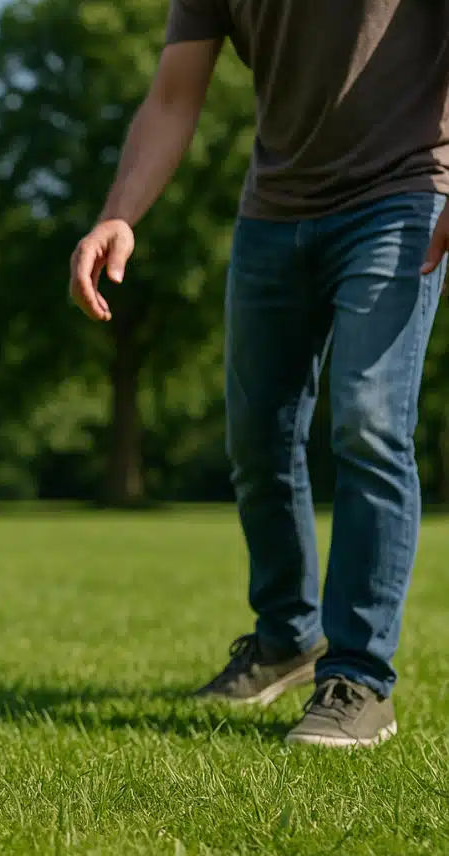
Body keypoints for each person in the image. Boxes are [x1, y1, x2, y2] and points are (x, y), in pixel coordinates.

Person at [69, 0, 449, 747]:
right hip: (273, 214)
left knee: (370, 420)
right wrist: (120, 213)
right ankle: (285, 639)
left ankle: (360, 678)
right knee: (256, 441)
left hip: (401, 195)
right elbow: (175, 96)